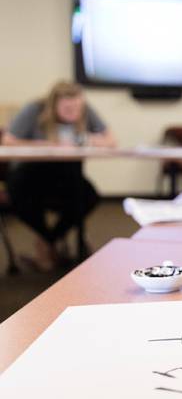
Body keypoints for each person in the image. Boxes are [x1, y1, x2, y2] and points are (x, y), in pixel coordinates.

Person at [3, 81, 116, 270]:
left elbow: (111, 141)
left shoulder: (85, 109)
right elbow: (8, 141)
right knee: (21, 200)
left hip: (64, 174)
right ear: (54, 104)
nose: (73, 113)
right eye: (67, 108)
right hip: (28, 173)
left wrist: (85, 139)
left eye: (77, 108)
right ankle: (50, 242)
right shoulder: (35, 109)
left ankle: (49, 241)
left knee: (87, 197)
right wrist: (48, 145)